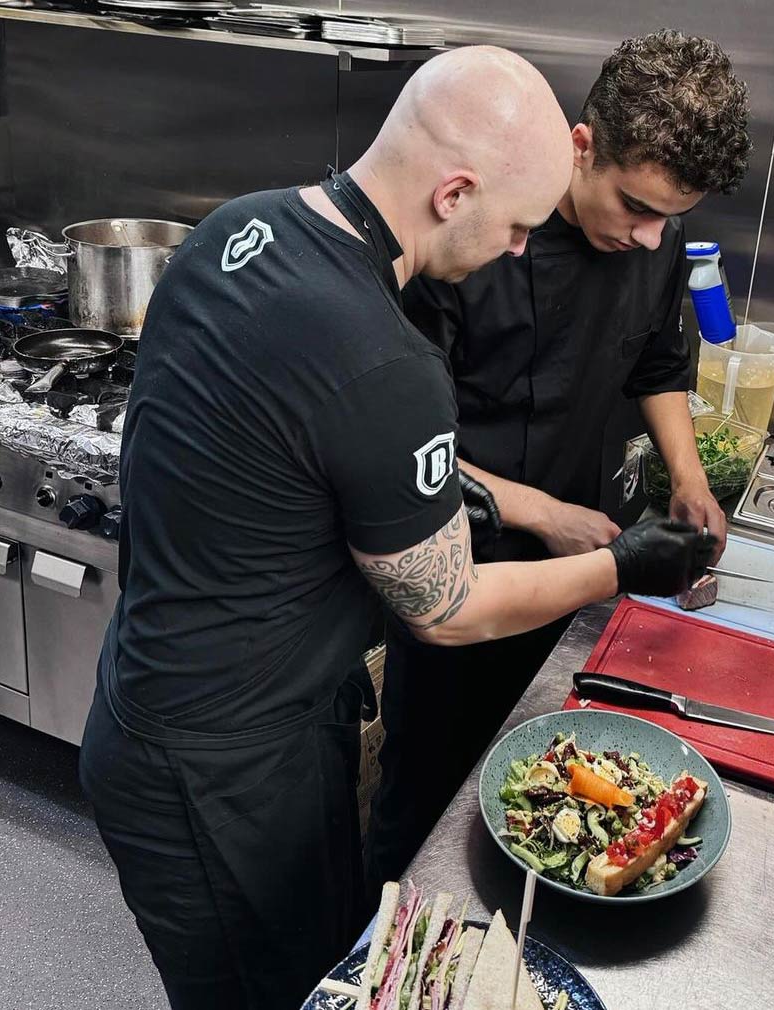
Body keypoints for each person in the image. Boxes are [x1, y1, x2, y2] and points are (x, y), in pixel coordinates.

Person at [78, 45, 713, 1010]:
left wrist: (508, 504)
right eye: (512, 226)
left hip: (170, 706)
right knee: (281, 993)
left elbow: (303, 455)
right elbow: (447, 609)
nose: (514, 250)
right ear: (455, 192)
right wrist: (622, 566)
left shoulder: (236, 229)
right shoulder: (387, 355)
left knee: (331, 956)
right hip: (222, 768)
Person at [367, 29, 752, 890]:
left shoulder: (649, 239)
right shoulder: (468, 240)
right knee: (427, 791)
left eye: (671, 217)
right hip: (454, 556)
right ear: (581, 148)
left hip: (583, 559)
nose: (653, 239)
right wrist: (542, 512)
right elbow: (401, 455)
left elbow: (656, 361)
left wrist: (686, 478)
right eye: (636, 208)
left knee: (552, 791)